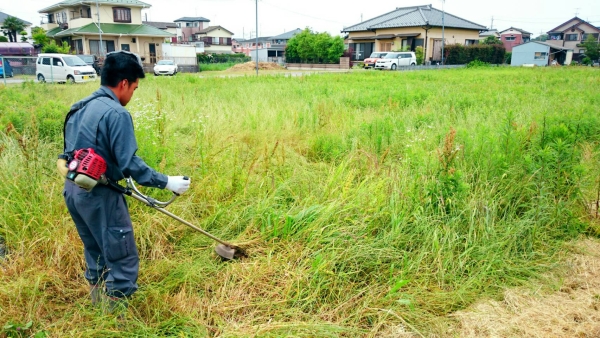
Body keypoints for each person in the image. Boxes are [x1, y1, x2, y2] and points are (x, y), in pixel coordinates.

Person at [62, 51, 191, 312]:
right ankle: (116, 319)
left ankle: (98, 306)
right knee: (122, 256)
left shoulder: (80, 106)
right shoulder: (116, 113)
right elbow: (129, 164)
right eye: (134, 87)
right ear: (123, 83)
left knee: (95, 249)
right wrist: (167, 182)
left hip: (74, 192)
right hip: (100, 197)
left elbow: (68, 154)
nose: (132, 94)